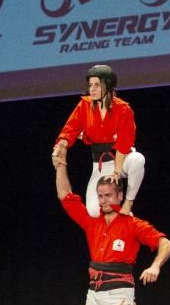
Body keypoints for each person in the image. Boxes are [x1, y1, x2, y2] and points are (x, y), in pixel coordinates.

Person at [54, 152, 170, 305]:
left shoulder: (132, 224)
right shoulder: (92, 221)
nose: (103, 201)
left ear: (120, 195)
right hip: (94, 291)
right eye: (100, 196)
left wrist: (155, 266)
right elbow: (64, 196)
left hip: (119, 293)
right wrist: (60, 165)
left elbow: (165, 243)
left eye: (108, 195)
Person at [53, 64, 146, 217]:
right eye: (90, 85)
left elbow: (124, 142)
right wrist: (61, 145)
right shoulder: (84, 105)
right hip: (101, 165)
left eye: (97, 85)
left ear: (108, 85)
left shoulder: (123, 109)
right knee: (94, 212)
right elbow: (69, 130)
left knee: (138, 159)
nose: (92, 89)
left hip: (122, 160)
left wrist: (117, 172)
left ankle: (128, 204)